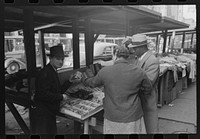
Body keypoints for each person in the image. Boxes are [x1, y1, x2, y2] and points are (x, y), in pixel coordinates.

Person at [78, 46, 153, 134]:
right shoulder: (139, 71)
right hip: (133, 115)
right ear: (128, 57)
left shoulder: (105, 71)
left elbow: (92, 83)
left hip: (113, 116)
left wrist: (83, 79)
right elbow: (148, 89)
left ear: (114, 56)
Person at [32, 44, 81, 134]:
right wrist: (61, 97)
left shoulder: (53, 71)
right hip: (43, 112)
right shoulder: (45, 73)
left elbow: (57, 90)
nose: (60, 61)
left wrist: (69, 81)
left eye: (62, 59)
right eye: (58, 59)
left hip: (49, 111)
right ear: (51, 58)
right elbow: (43, 95)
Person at [126, 34, 160, 133]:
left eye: (135, 48)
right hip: (139, 100)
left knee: (149, 126)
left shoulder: (152, 61)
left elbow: (148, 84)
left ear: (142, 47)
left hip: (147, 99)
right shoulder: (139, 58)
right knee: (141, 127)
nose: (133, 51)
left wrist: (128, 86)